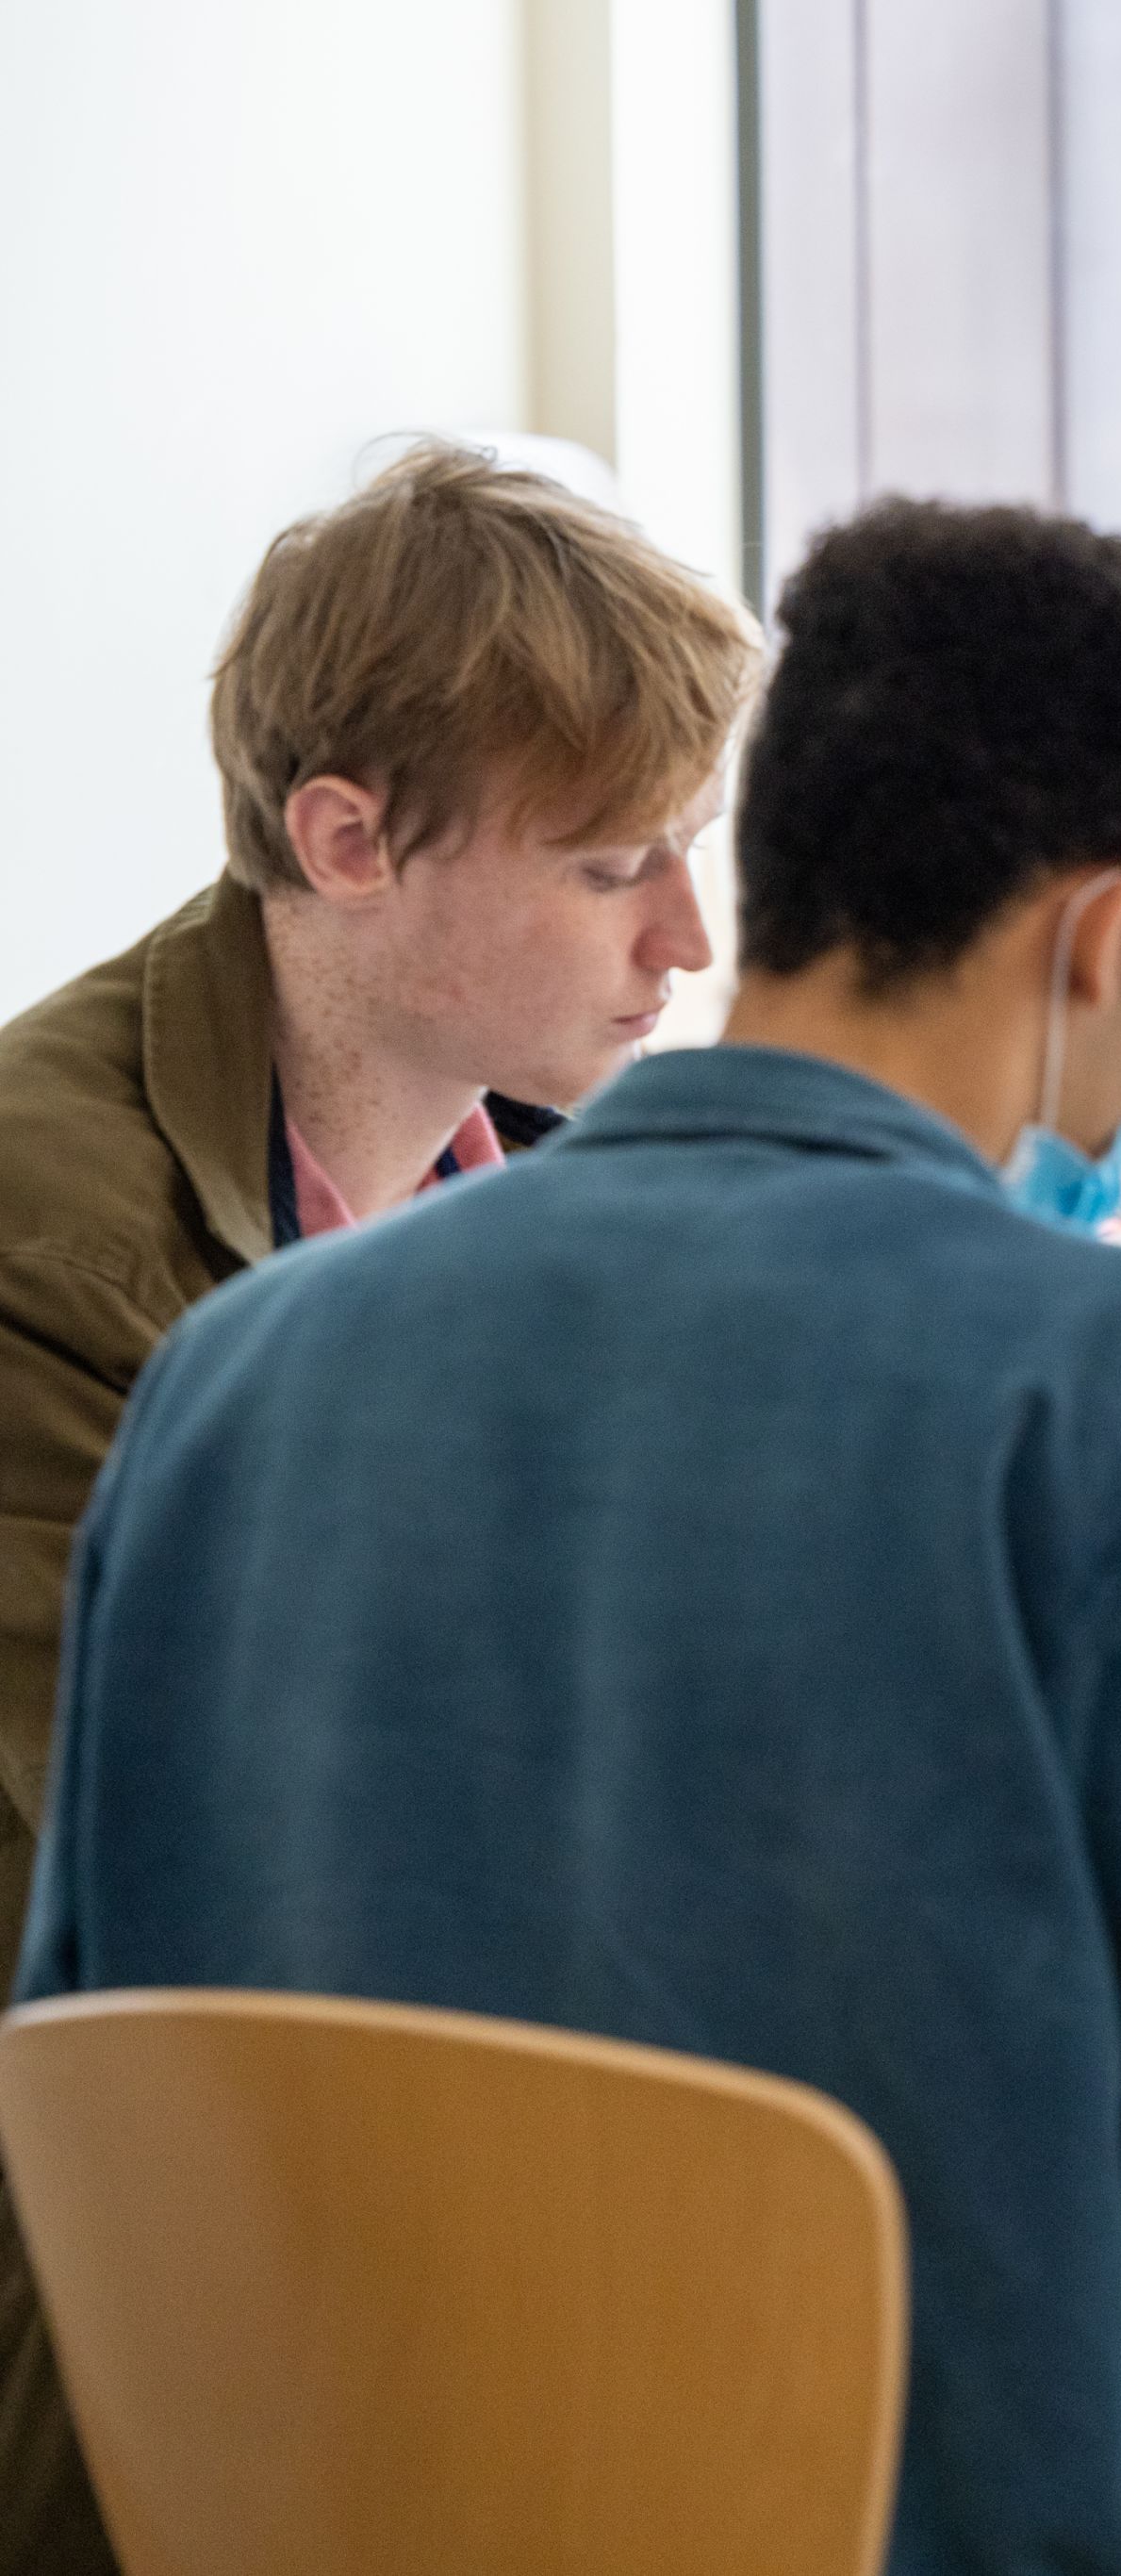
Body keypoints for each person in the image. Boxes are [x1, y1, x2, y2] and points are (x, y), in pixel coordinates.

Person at [18, 500, 1121, 2576]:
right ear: (1105, 935)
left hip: (364, 2509)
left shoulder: (234, 1381)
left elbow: (112, 2078)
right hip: (959, 2526)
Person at [0, 438, 756, 2575]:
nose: (690, 939)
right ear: (346, 841)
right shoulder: (53, 1263)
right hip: (147, 2284)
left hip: (454, 2171)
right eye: (617, 865)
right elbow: (159, 1924)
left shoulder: (524, 1183)